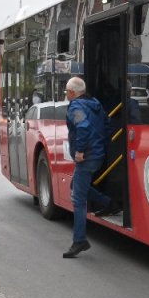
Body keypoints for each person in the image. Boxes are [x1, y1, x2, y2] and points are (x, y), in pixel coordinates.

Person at [62, 77, 119, 258]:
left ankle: (79, 240)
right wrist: (101, 146)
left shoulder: (76, 107)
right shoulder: (94, 103)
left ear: (72, 92)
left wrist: (80, 151)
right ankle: (109, 204)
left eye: (66, 92)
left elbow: (83, 126)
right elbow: (108, 125)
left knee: (77, 199)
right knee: (77, 187)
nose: (66, 95)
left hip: (86, 158)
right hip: (98, 155)